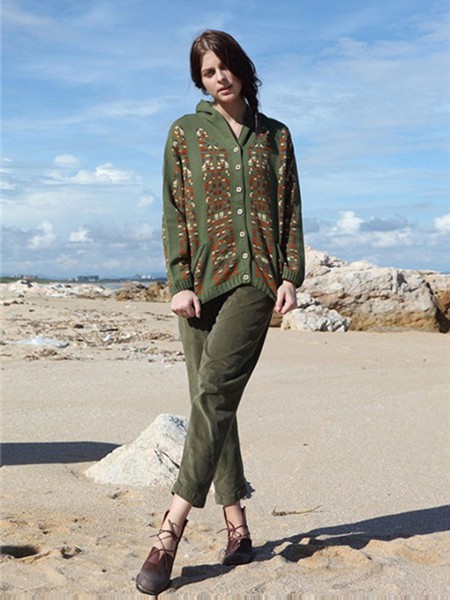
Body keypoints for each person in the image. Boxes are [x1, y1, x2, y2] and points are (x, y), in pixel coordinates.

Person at [136, 29, 304, 595]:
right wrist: (179, 281)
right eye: (208, 72)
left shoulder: (276, 136)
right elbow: (174, 210)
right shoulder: (184, 132)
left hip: (256, 281)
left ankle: (170, 530)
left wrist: (290, 274)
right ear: (200, 81)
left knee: (212, 394)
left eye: (225, 66)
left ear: (242, 69)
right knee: (212, 401)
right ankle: (237, 527)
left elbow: (290, 209)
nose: (219, 77)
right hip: (200, 289)